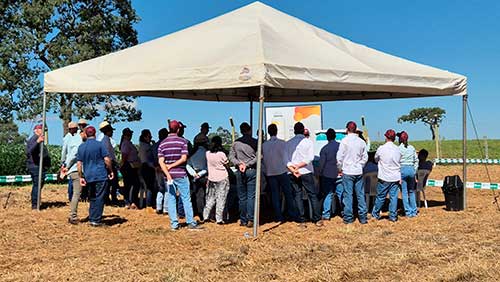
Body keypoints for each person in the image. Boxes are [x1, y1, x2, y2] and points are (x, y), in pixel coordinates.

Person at [158, 120, 202, 230]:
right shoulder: (183, 142)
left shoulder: (162, 143)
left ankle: (174, 224)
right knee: (186, 198)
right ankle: (190, 222)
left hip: (168, 176)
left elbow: (161, 162)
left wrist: (168, 172)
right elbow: (183, 159)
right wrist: (173, 165)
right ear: (178, 129)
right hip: (181, 174)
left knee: (172, 198)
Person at [285, 122, 322, 227]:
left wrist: (293, 169)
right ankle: (317, 219)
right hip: (306, 171)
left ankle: (301, 220)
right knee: (312, 195)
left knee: (297, 195)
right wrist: (299, 166)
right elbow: (310, 158)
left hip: (293, 173)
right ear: (302, 131)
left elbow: (285, 160)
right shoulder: (308, 142)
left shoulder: (288, 143)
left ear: (294, 131)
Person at [77, 126, 114, 227]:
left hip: (89, 175)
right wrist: (110, 170)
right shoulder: (100, 145)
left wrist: (81, 177)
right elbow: (107, 159)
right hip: (100, 174)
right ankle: (96, 220)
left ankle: (92, 217)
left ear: (85, 134)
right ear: (95, 134)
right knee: (100, 197)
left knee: (92, 197)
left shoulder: (81, 147)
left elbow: (79, 164)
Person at [262, 124, 297, 223]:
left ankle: (278, 216)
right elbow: (286, 158)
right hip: (282, 171)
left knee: (275, 195)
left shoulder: (264, 145)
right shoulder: (283, 143)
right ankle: (291, 214)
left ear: (268, 132)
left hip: (270, 173)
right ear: (276, 131)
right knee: (288, 194)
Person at [337, 121, 368, 224]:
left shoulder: (344, 141)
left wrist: (340, 168)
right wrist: (360, 165)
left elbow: (339, 157)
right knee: (360, 194)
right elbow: (365, 157)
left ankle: (348, 217)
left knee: (348, 195)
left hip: (348, 171)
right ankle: (363, 217)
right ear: (356, 130)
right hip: (358, 171)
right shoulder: (361, 142)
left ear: (347, 130)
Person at [229, 122, 257, 227]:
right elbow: (259, 156)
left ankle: (243, 219)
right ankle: (251, 218)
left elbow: (231, 157)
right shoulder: (255, 142)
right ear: (249, 130)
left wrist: (239, 164)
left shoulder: (235, 143)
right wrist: (247, 164)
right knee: (251, 196)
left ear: (241, 131)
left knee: (242, 197)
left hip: (239, 171)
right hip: (251, 170)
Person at [371, 129, 402, 222]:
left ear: (386, 137)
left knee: (381, 196)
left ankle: (375, 214)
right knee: (393, 197)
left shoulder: (381, 148)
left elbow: (376, 159)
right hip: (395, 176)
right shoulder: (398, 149)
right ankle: (392, 216)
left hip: (384, 176)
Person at [203, 136, 230, 224]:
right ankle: (219, 218)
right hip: (222, 177)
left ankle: (206, 215)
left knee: (210, 198)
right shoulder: (222, 154)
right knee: (221, 198)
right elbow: (227, 164)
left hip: (211, 178)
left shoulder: (207, 154)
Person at [61, 122, 83, 224]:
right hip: (74, 168)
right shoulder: (77, 139)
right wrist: (66, 165)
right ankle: (73, 215)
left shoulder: (69, 138)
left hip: (71, 168)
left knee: (75, 191)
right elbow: (72, 154)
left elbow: (64, 152)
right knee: (76, 193)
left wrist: (64, 164)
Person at [26, 124, 51, 209]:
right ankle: (35, 204)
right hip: (36, 166)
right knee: (37, 185)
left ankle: (36, 202)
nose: (43, 131)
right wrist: (38, 141)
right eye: (41, 129)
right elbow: (29, 151)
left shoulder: (38, 139)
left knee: (38, 185)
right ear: (36, 130)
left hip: (39, 166)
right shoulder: (34, 139)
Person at [318, 128, 341, 220]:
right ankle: (345, 212)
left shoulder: (324, 149)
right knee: (341, 194)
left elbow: (321, 164)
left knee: (328, 194)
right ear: (335, 136)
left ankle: (326, 214)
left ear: (327, 137)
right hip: (340, 174)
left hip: (327, 175)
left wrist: (320, 173)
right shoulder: (341, 147)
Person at [98, 121, 120, 204]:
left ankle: (108, 198)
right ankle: (111, 199)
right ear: (107, 131)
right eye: (111, 130)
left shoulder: (105, 140)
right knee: (112, 182)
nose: (112, 132)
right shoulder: (105, 141)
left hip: (108, 163)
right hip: (109, 164)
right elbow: (108, 155)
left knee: (110, 183)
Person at [187, 138, 209, 220]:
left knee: (196, 195)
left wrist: (194, 174)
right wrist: (200, 174)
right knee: (203, 195)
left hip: (194, 175)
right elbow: (207, 166)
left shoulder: (192, 153)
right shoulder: (206, 152)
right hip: (203, 175)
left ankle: (196, 212)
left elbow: (188, 165)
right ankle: (203, 213)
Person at [398, 131, 419, 217]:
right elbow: (416, 160)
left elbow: (397, 161)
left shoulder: (398, 148)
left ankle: (408, 211)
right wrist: (414, 171)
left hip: (402, 169)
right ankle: (414, 211)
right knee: (411, 191)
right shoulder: (412, 148)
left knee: (404, 192)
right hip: (411, 169)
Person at [120, 128, 141, 209]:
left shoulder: (128, 143)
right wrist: (122, 164)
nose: (131, 135)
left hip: (133, 166)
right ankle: (129, 201)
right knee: (130, 184)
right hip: (129, 166)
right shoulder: (125, 143)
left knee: (133, 184)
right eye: (129, 134)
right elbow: (124, 155)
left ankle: (132, 201)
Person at [61, 122, 80, 201]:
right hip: (70, 161)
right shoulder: (67, 138)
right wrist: (63, 161)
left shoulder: (75, 136)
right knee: (72, 179)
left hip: (75, 161)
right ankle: (71, 196)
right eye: (75, 129)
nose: (76, 130)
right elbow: (64, 150)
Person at [139, 129, 157, 209]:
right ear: (145, 137)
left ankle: (147, 203)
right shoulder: (146, 146)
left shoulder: (143, 145)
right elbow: (147, 159)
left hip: (145, 166)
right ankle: (149, 204)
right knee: (150, 187)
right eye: (149, 136)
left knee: (147, 187)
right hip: (147, 167)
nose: (151, 137)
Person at [154, 128, 169, 214]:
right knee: (167, 189)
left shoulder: (154, 146)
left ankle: (158, 207)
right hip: (165, 168)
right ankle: (165, 209)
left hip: (157, 168)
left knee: (160, 189)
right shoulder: (166, 145)